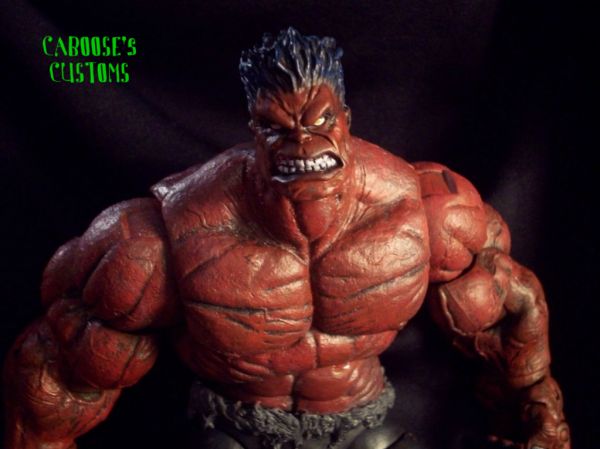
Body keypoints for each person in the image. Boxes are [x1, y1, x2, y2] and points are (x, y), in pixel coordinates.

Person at [3, 27, 570, 449]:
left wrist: (539, 416)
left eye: (319, 122)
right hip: (230, 428)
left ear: (345, 117)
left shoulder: (426, 212)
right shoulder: (165, 236)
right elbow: (60, 372)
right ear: (254, 130)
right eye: (277, 129)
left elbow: (508, 314)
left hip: (366, 423)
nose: (302, 143)